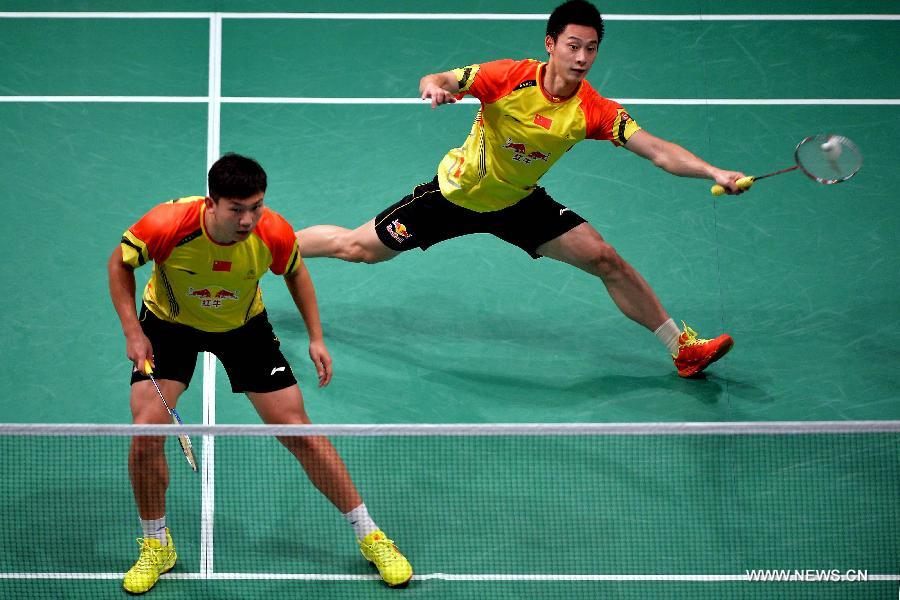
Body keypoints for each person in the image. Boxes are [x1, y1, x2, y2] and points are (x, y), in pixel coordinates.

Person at [297, 0, 743, 378]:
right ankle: (271, 245)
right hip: (453, 197)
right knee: (355, 248)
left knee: (605, 259)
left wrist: (713, 172)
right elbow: (440, 79)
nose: (582, 57)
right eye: (573, 45)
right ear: (551, 45)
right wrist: (434, 90)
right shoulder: (508, 77)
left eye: (591, 48)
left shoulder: (593, 110)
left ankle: (680, 349)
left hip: (518, 202)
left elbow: (658, 151)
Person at [108, 153, 412, 594]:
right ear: (211, 204)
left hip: (243, 329)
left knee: (299, 431)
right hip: (169, 327)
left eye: (256, 206)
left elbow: (297, 273)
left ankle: (371, 535)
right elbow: (119, 264)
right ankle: (157, 545)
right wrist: (133, 332)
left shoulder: (272, 231)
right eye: (237, 209)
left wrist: (316, 337)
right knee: (144, 436)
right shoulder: (166, 225)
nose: (248, 219)